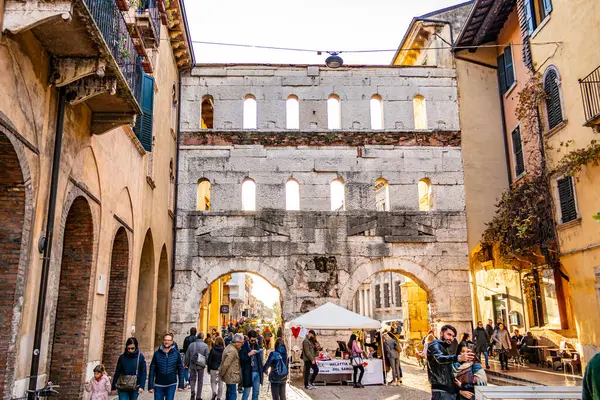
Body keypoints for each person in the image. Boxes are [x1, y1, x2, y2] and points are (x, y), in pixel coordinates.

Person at [427, 324, 474, 400]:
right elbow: (439, 358)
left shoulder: (444, 348)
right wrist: (458, 357)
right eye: (449, 334)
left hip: (448, 391)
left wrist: (458, 391)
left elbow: (449, 374)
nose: (451, 338)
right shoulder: (435, 345)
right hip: (441, 392)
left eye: (453, 336)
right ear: (441, 333)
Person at [148, 333, 184, 400]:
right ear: (163, 341)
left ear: (172, 342)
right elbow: (152, 370)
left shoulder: (176, 354)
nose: (167, 342)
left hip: (171, 384)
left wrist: (181, 384)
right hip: (159, 384)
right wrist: (150, 386)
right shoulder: (157, 354)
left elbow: (180, 369)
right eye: (165, 340)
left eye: (169, 340)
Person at [240, 330, 264, 400]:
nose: (253, 342)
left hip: (257, 373)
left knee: (256, 393)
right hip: (248, 373)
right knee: (246, 393)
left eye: (254, 340)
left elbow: (259, 359)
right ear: (248, 338)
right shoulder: (244, 346)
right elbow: (241, 360)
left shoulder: (257, 345)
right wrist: (249, 354)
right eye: (252, 340)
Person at [186, 332, 210, 400]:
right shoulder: (205, 346)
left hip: (192, 364)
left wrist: (186, 363)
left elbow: (187, 355)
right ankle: (198, 396)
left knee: (192, 379)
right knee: (200, 380)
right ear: (202, 338)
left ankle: (192, 390)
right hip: (201, 365)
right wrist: (207, 364)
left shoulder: (191, 345)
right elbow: (207, 356)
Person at [220, 333, 243, 400]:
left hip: (229, 375)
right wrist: (221, 373)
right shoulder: (233, 350)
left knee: (229, 393)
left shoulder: (230, 347)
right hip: (231, 376)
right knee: (232, 395)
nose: (242, 344)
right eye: (241, 342)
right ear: (237, 342)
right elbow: (226, 364)